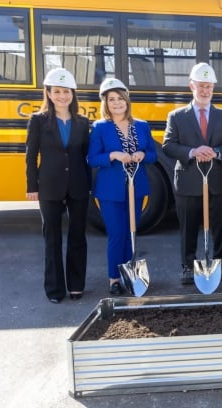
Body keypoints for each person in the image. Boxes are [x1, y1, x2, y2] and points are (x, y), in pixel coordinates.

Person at [163, 62, 222, 284]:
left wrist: (216, 152)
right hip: (188, 181)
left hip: (219, 180)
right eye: (201, 86)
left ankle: (221, 263)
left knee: (221, 225)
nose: (205, 91)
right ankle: (188, 267)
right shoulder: (176, 116)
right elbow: (168, 145)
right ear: (191, 87)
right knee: (188, 227)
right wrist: (192, 151)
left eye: (209, 86)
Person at [25, 68, 90, 303]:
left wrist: (90, 186)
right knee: (52, 238)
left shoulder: (83, 122)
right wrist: (32, 186)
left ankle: (76, 285)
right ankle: (55, 290)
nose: (62, 96)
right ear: (49, 94)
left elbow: (86, 157)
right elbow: (31, 156)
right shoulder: (38, 121)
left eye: (66, 91)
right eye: (57, 91)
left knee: (77, 236)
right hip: (49, 187)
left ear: (73, 94)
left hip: (78, 186)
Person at [87, 78, 157, 295]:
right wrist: (112, 155)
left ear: (127, 101)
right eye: (111, 99)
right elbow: (91, 158)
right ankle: (114, 279)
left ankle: (130, 274)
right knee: (116, 234)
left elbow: (154, 155)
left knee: (131, 232)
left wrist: (142, 154)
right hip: (110, 191)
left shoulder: (142, 126)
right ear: (105, 103)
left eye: (120, 98)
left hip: (135, 188)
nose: (117, 103)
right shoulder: (100, 128)